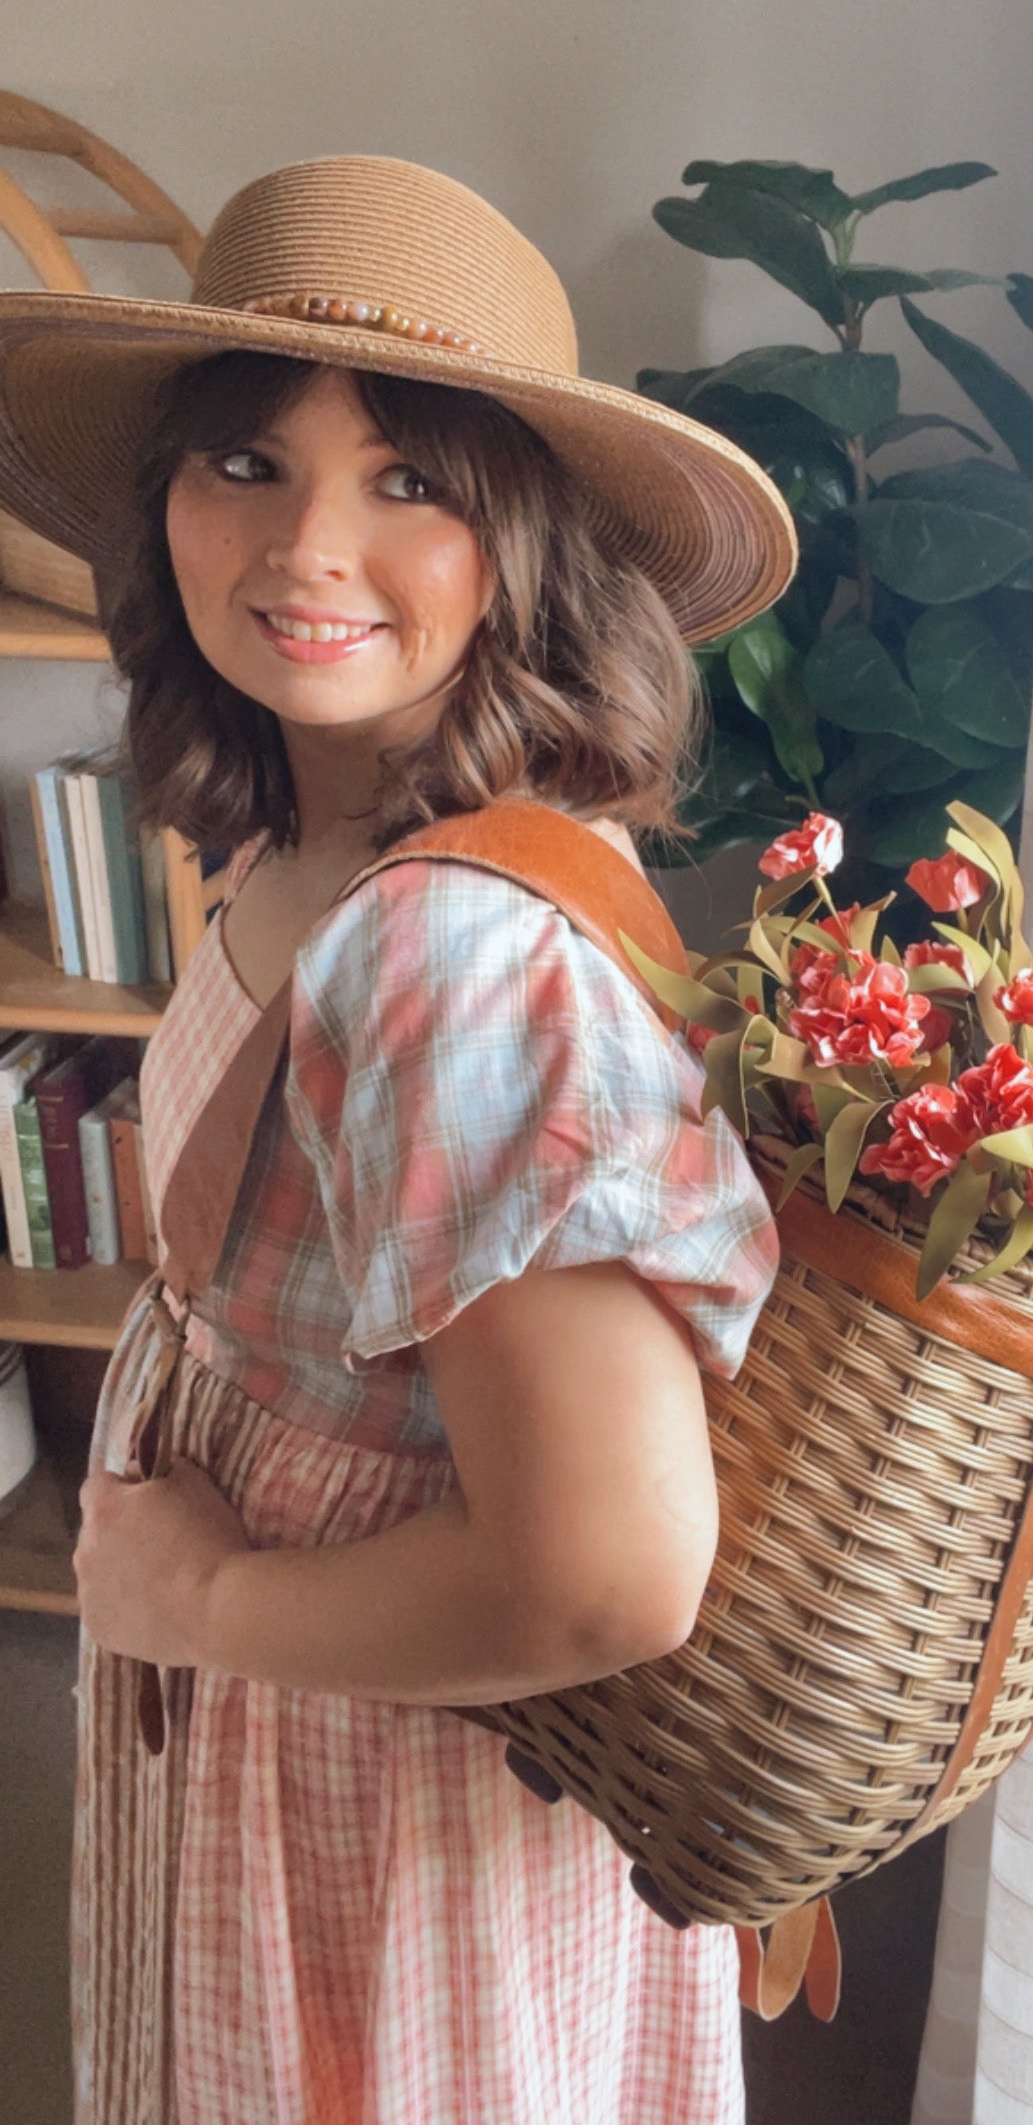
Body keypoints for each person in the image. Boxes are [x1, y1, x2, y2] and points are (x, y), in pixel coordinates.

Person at [0, 154, 798, 2125]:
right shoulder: (322, 825)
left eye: (410, 478)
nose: (308, 546)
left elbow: (604, 1572)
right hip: (297, 1711)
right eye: (246, 463)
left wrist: (204, 1606)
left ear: (523, 542)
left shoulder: (453, 953)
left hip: (378, 1785)